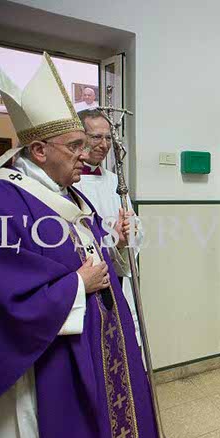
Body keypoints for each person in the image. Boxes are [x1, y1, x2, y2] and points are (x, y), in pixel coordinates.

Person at [0, 53, 162, 438]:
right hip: (35, 372)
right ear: (39, 149)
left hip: (88, 351)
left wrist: (118, 247)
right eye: (76, 145)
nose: (87, 154)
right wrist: (77, 286)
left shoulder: (69, 195)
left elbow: (97, 260)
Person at [73, 109, 143, 345]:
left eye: (108, 138)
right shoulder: (69, 182)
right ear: (79, 137)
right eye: (96, 137)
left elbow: (135, 228)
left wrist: (129, 233)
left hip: (118, 276)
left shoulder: (115, 181)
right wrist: (111, 240)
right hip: (89, 279)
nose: (104, 145)